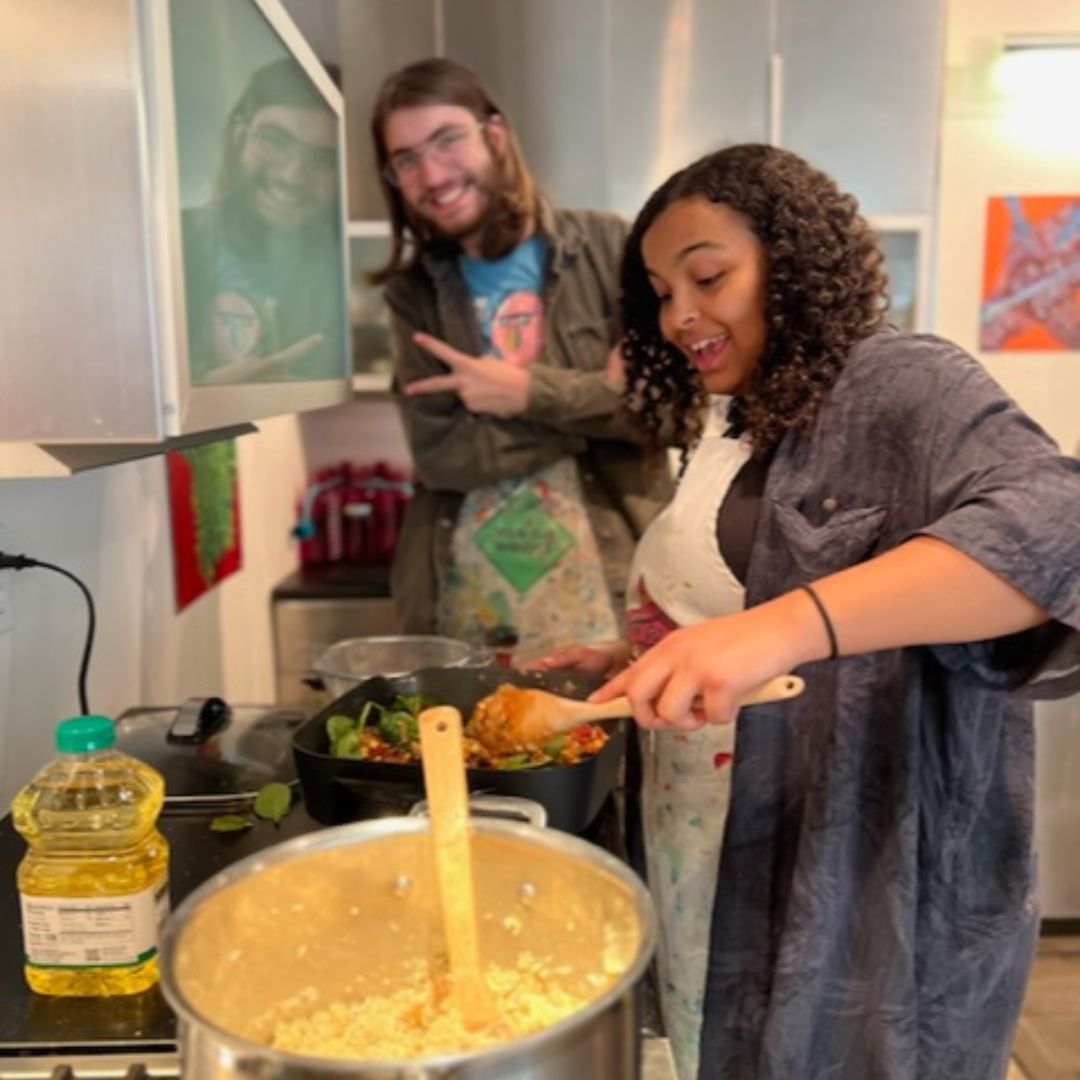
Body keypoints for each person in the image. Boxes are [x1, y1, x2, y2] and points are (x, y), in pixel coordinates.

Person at [535, 144, 1080, 1079]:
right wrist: (637, 653)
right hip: (708, 833)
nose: (680, 316)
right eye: (661, 293)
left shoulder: (903, 379)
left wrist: (776, 628)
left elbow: (1054, 526)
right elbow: (728, 583)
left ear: (793, 259)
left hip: (854, 866)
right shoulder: (743, 416)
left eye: (708, 276)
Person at [367, 58, 670, 657]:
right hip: (467, 606)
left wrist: (525, 393)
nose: (431, 173)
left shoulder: (608, 246)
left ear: (495, 135)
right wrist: (597, 404)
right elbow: (442, 456)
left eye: (447, 140)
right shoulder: (414, 294)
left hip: (608, 593)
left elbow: (663, 413)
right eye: (406, 159)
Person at [181, 58, 344, 385]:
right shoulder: (167, 244)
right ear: (239, 137)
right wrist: (204, 393)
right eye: (275, 140)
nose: (292, 176)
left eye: (324, 159)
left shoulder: (338, 273)